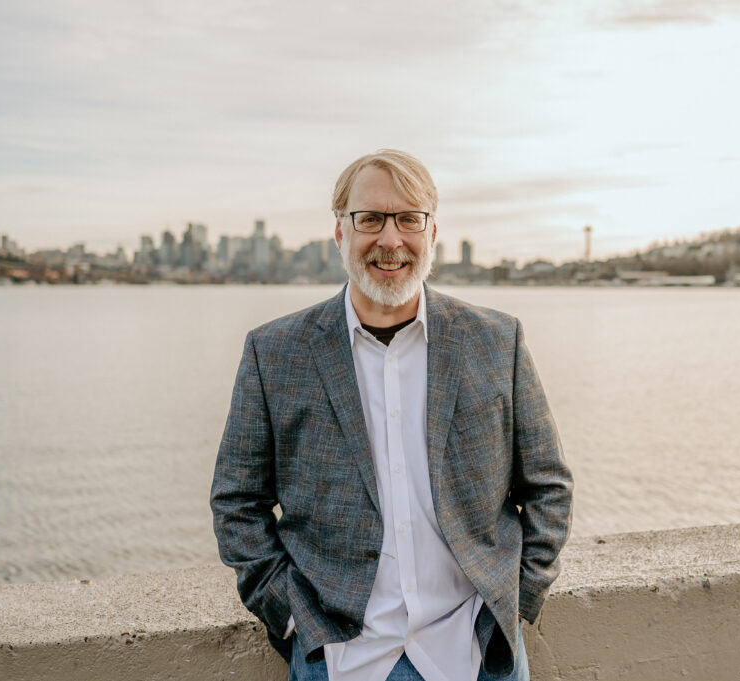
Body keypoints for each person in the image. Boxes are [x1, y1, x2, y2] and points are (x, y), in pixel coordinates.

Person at [211, 149, 573, 681]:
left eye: (408, 219)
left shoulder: (498, 342)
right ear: (340, 232)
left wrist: (516, 599)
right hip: (338, 657)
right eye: (371, 219)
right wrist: (288, 616)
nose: (390, 239)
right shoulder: (275, 352)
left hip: (475, 649)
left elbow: (548, 487)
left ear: (431, 234)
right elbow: (237, 502)